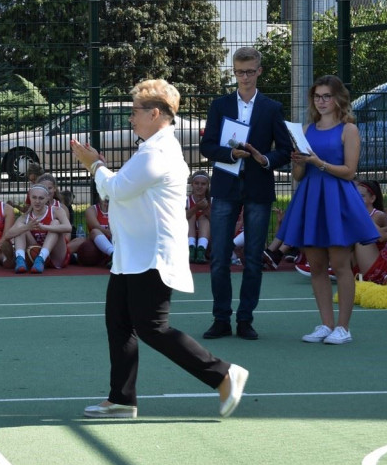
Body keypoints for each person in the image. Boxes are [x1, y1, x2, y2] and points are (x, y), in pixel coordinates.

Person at [70, 78, 248, 420]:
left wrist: (94, 164)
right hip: (132, 254)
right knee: (119, 323)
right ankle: (122, 399)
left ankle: (224, 374)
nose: (131, 118)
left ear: (155, 113)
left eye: (135, 111)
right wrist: (101, 167)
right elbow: (123, 186)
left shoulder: (158, 151)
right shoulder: (151, 149)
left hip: (152, 255)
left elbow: (116, 189)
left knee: (152, 327)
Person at [275, 76, 380, 345]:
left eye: (326, 96)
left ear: (338, 99)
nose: (321, 101)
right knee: (317, 266)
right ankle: (325, 324)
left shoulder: (349, 129)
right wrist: (299, 162)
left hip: (337, 200)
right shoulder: (306, 129)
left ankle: (343, 328)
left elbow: (349, 172)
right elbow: (299, 175)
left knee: (341, 265)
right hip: (311, 199)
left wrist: (318, 162)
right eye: (317, 96)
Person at [200, 47, 291, 341]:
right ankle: (221, 318)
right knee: (219, 258)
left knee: (253, 258)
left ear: (259, 71)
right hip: (225, 186)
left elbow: (285, 150)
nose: (245, 77)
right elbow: (207, 145)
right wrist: (230, 154)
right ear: (234, 72)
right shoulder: (220, 105)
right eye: (240, 72)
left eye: (250, 71)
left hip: (258, 187)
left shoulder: (272, 108)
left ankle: (245, 319)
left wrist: (264, 159)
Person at [6, 183, 72, 274]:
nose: (37, 201)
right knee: (21, 227)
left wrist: (44, 227)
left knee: (55, 223)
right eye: (34, 197)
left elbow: (68, 227)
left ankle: (41, 258)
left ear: (47, 198)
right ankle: (20, 259)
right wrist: (26, 227)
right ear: (29, 198)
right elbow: (7, 235)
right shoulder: (26, 217)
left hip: (56, 255)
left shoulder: (56, 211)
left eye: (41, 198)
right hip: (35, 253)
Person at [186, 170, 212, 264]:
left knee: (203, 218)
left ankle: (201, 250)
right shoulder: (186, 200)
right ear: (192, 184)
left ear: (207, 186)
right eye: (196, 183)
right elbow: (179, 219)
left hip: (208, 239)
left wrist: (206, 210)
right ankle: (191, 249)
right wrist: (196, 208)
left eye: (203, 184)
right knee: (191, 216)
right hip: (186, 238)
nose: (199, 186)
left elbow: (216, 223)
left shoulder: (212, 200)